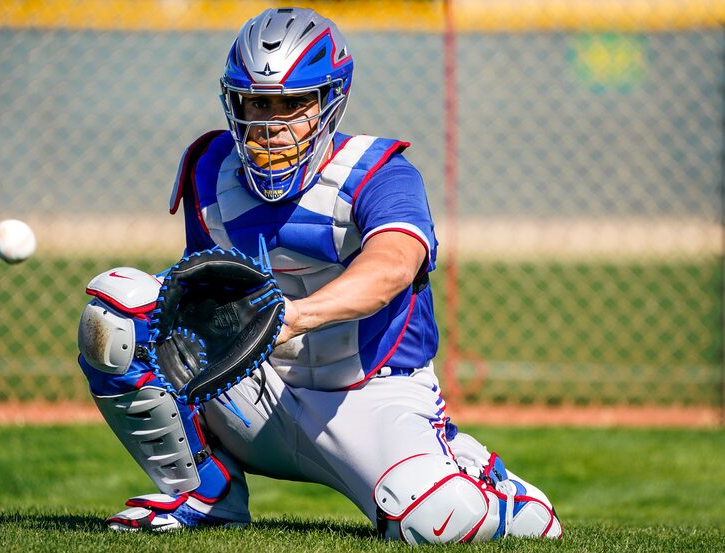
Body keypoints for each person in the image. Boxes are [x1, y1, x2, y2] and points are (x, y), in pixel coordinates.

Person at [76, 7, 562, 544]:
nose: (271, 125)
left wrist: (293, 316)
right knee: (118, 308)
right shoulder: (209, 169)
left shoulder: (378, 172)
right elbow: (198, 290)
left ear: (331, 101)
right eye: (257, 104)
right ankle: (202, 491)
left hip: (368, 398)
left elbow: (395, 264)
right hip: (256, 393)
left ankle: (492, 488)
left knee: (436, 521)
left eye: (291, 105)